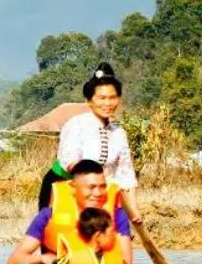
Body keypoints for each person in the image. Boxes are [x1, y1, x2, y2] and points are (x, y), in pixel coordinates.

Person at [7, 161, 135, 264]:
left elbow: (126, 262)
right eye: (91, 188)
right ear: (73, 188)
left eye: (102, 187)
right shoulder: (49, 214)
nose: (98, 193)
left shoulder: (117, 214)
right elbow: (13, 261)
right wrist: (43, 259)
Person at [43, 63, 140, 218]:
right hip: (64, 186)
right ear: (89, 101)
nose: (107, 104)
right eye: (101, 98)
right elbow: (71, 163)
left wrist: (134, 212)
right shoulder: (76, 125)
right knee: (61, 237)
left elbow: (126, 174)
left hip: (98, 190)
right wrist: (103, 179)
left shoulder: (119, 133)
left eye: (112, 98)